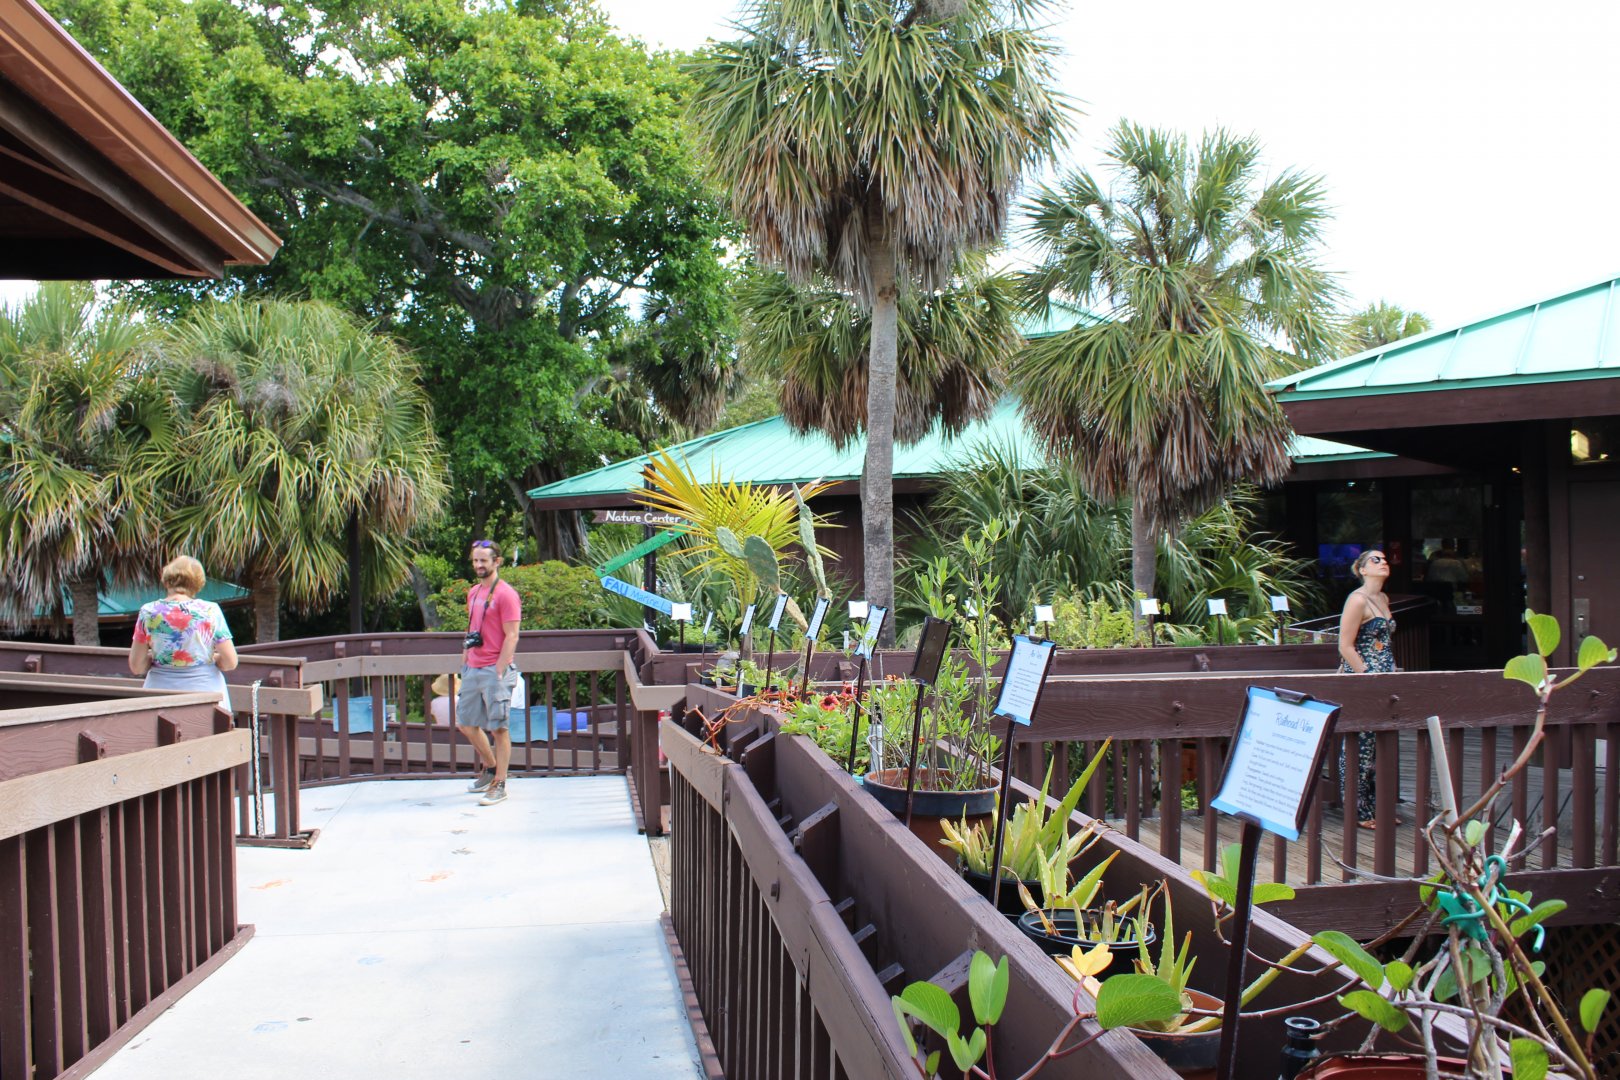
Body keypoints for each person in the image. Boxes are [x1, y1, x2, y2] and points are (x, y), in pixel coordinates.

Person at [456, 540, 521, 806]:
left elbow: (512, 635)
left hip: (495, 669)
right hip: (472, 666)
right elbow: (472, 627)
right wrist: (465, 659)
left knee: (499, 728)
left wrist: (500, 668)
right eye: (475, 560)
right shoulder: (473, 592)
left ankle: (500, 784)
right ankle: (491, 767)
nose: (479, 565)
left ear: (497, 562)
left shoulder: (506, 594)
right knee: (466, 724)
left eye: (484, 560)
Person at [127, 555, 238, 708]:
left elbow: (136, 666)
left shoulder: (149, 611)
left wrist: (161, 657)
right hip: (205, 692)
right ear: (197, 583)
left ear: (166, 580)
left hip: (160, 694)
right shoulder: (209, 611)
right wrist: (210, 658)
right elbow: (230, 662)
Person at [1337, 548, 1397, 828]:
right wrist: (1365, 675)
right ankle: (1358, 810)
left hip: (1385, 679)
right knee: (1360, 745)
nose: (1383, 563)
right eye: (1376, 560)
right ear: (1362, 569)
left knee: (1379, 746)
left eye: (1385, 559)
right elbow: (1345, 645)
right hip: (1363, 679)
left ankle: (1377, 807)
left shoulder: (1383, 598)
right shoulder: (1357, 600)